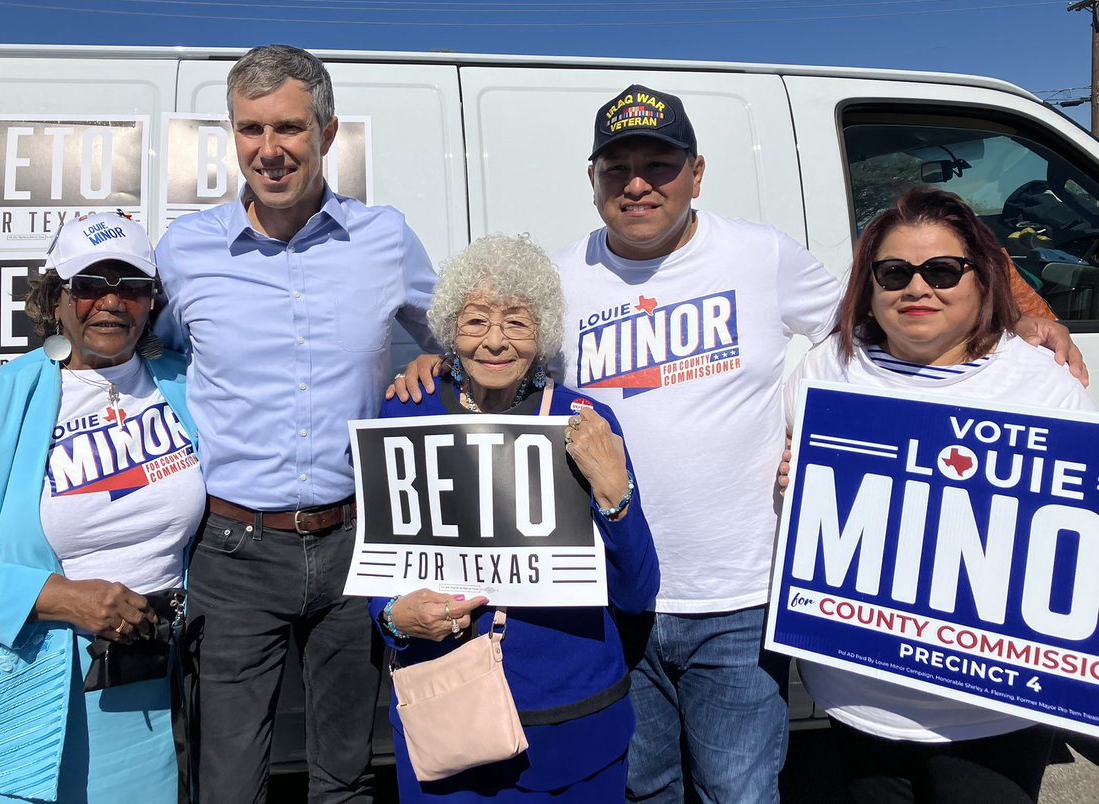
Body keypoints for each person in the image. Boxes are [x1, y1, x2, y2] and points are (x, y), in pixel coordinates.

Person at [395, 84, 1085, 804]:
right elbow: (501, 361)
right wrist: (435, 361)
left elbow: (885, 309)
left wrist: (1023, 318)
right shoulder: (563, 280)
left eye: (659, 165)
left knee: (742, 791)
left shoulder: (763, 256)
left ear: (696, 174)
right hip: (613, 595)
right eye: (617, 166)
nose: (638, 183)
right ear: (593, 181)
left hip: (741, 597)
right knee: (643, 788)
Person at [153, 44, 440, 804]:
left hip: (357, 545)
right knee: (227, 786)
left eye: (288, 128)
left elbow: (466, 338)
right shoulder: (185, 252)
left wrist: (430, 364)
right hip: (235, 553)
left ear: (327, 130)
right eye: (251, 130)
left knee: (343, 780)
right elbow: (126, 353)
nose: (269, 151)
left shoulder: (384, 238)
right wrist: (22, 372)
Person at [780, 186, 1093, 803]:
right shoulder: (827, 369)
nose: (917, 288)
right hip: (857, 696)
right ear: (869, 285)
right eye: (894, 272)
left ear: (982, 278)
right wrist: (788, 479)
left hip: (990, 711)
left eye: (943, 270)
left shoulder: (1040, 387)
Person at [0, 212, 204, 803]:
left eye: (131, 286)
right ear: (56, 298)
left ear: (151, 301)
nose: (110, 301)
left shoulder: (189, 387)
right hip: (17, 699)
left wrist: (426, 368)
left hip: (152, 695)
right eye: (89, 284)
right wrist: (65, 598)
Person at [372, 233, 659, 801]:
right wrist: (393, 617)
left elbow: (637, 591)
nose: (496, 342)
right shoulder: (408, 410)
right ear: (450, 329)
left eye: (517, 323)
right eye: (476, 321)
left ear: (543, 332)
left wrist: (613, 492)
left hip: (575, 724)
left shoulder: (586, 420)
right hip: (447, 717)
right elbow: (381, 563)